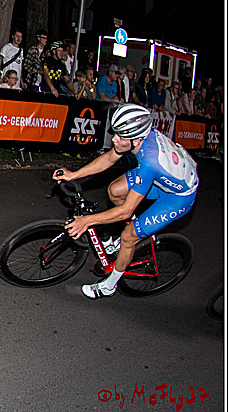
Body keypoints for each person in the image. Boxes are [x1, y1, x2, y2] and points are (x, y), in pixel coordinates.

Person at [54, 103, 198, 299]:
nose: (114, 139)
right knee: (115, 190)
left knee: (130, 235)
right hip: (166, 177)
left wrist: (86, 221)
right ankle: (123, 241)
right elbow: (109, 159)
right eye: (115, 133)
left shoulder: (150, 162)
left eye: (121, 137)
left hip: (178, 196)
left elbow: (125, 212)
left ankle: (109, 285)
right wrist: (74, 175)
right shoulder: (138, 137)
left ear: (136, 139)